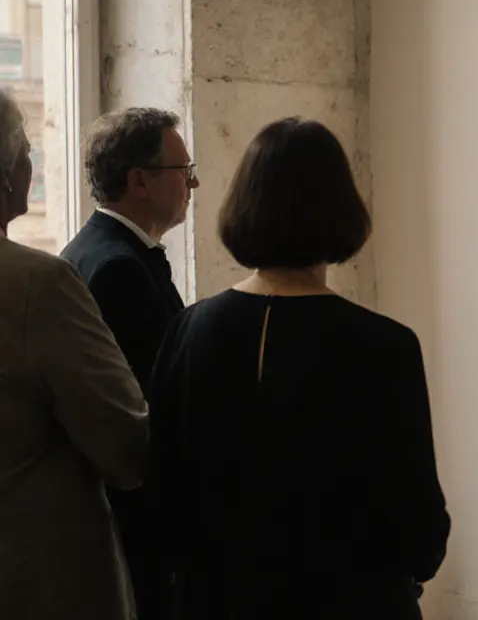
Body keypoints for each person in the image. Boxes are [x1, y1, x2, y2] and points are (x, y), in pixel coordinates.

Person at [144, 117, 450, 619]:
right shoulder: (384, 346)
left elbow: (162, 498)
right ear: (341, 209)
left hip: (219, 601)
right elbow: (417, 523)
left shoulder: (189, 331)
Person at [0, 90, 149, 620]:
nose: (30, 162)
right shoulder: (35, 284)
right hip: (36, 580)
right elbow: (124, 444)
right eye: (24, 148)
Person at [59, 107, 198, 619]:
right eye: (183, 171)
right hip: (140, 525)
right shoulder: (119, 268)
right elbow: (146, 409)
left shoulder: (94, 250)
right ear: (138, 180)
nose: (194, 182)